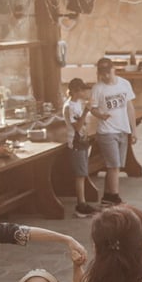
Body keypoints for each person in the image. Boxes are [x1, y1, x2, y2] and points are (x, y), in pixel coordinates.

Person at [89, 57, 137, 206]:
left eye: (107, 72)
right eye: (102, 73)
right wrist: (100, 115)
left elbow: (129, 107)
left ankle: (107, 197)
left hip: (123, 129)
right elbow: (92, 108)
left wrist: (133, 130)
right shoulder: (97, 88)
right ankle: (115, 197)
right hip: (107, 131)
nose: (105, 76)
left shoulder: (124, 84)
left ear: (113, 69)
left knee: (115, 166)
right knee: (114, 165)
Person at [64, 77, 96, 216]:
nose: (84, 93)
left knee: (83, 173)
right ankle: (80, 205)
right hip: (76, 142)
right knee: (80, 174)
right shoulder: (69, 106)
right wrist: (85, 112)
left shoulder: (77, 103)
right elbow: (77, 127)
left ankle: (83, 202)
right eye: (82, 90)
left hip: (82, 141)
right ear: (76, 91)